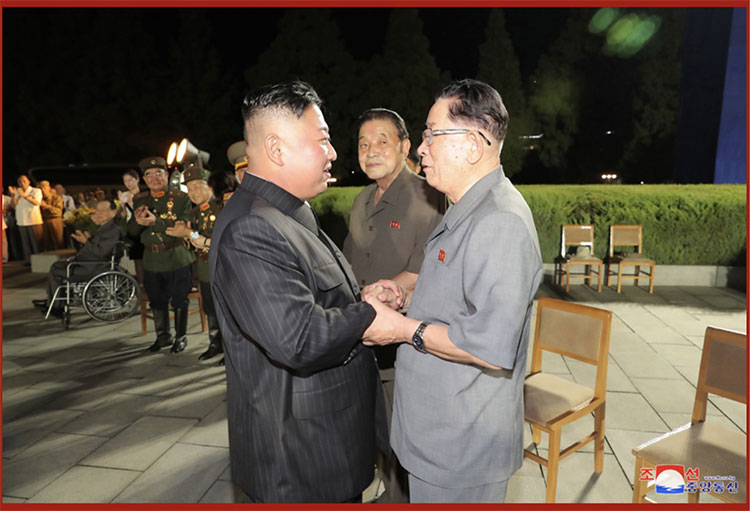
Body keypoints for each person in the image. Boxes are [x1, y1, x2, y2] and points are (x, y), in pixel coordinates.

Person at [361, 79, 543, 503]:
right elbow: (455, 295)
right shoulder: (465, 207)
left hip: (462, 444)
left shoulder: (500, 222)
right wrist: (404, 298)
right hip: (438, 429)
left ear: (472, 145)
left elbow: (488, 346)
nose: (422, 149)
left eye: (432, 135)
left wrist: (401, 329)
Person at [209, 81, 386, 503]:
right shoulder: (251, 227)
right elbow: (299, 338)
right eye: (322, 140)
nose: (333, 153)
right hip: (301, 457)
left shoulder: (287, 210)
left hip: (324, 441)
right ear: (276, 149)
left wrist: (364, 296)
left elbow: (312, 295)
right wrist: (371, 315)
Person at [343, 107, 445, 503]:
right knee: (377, 432)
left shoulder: (428, 195)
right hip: (364, 338)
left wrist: (380, 299)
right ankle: (392, 494)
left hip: (405, 343)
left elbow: (423, 272)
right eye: (363, 144)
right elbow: (350, 265)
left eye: (382, 141)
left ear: (405, 147)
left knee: (406, 436)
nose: (371, 151)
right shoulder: (361, 200)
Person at [127, 156, 195, 354]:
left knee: (180, 299)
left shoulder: (181, 198)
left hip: (176, 257)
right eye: (149, 175)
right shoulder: (140, 200)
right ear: (144, 179)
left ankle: (181, 337)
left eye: (159, 173)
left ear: (166, 175)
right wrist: (137, 221)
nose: (154, 178)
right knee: (156, 300)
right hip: (151, 259)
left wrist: (155, 222)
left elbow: (181, 227)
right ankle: (163, 337)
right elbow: (131, 231)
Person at [166, 165, 224, 361]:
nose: (193, 192)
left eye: (198, 186)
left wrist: (190, 233)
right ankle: (215, 343)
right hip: (205, 268)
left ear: (211, 186)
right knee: (210, 307)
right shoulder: (193, 214)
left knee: (228, 309)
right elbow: (191, 245)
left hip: (224, 267)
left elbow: (220, 241)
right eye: (189, 188)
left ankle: (233, 348)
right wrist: (185, 234)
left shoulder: (223, 208)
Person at [32, 199, 122, 317]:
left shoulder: (112, 231)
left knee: (57, 271)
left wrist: (86, 241)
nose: (99, 213)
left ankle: (56, 306)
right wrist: (84, 239)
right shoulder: (103, 228)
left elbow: (101, 252)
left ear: (113, 213)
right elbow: (95, 246)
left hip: (94, 267)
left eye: (103, 210)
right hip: (88, 263)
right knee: (56, 266)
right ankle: (53, 301)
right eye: (97, 210)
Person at [118, 169, 145, 285]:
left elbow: (141, 212)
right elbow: (123, 215)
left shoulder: (144, 194)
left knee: (147, 257)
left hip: (144, 227)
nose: (128, 183)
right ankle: (141, 283)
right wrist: (122, 204)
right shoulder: (124, 195)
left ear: (137, 179)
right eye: (125, 181)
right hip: (133, 230)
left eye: (130, 180)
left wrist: (130, 203)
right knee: (137, 259)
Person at [9, 175, 43, 264]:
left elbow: (37, 202)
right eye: (20, 181)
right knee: (25, 243)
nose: (22, 183)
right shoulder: (17, 192)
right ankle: (28, 260)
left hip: (33, 220)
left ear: (29, 181)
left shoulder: (36, 190)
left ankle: (38, 260)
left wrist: (24, 196)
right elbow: (13, 205)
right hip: (21, 221)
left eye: (24, 181)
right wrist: (13, 195)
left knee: (35, 243)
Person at [38, 180, 65, 250]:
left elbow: (58, 211)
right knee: (47, 243)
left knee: (58, 241)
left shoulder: (56, 198)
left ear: (49, 188)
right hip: (44, 221)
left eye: (44, 188)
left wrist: (46, 206)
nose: (42, 190)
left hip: (55, 221)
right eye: (40, 188)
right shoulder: (40, 199)